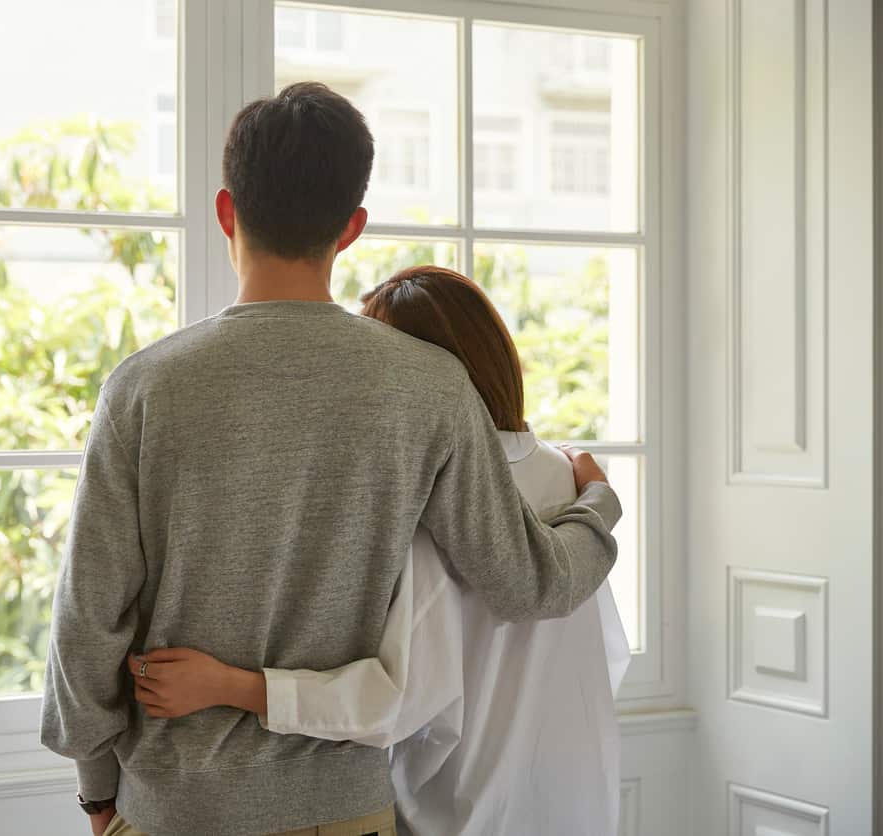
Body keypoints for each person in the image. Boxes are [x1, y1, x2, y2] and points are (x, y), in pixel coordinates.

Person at [39, 82, 623, 836]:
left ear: (227, 211)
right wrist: (599, 507)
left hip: (175, 808)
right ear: (352, 228)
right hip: (345, 813)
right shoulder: (429, 387)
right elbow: (528, 582)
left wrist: (98, 793)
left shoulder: (145, 387)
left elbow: (86, 624)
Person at [128, 266, 633, 836]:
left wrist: (230, 685)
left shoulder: (423, 500)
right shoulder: (569, 476)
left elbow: (394, 701)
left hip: (457, 812)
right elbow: (603, 656)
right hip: (578, 799)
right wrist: (601, 499)